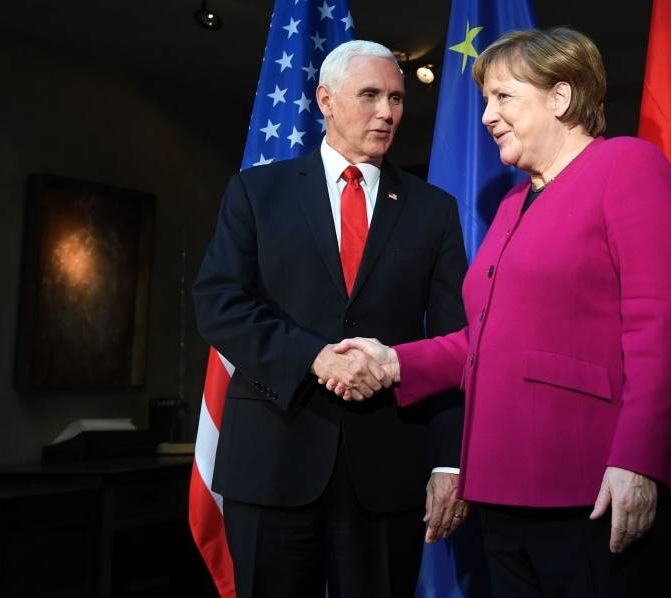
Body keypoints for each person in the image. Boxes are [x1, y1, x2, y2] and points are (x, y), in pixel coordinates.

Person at [329, 28, 671, 597]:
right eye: (485, 100)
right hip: (506, 489)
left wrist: (638, 462)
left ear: (560, 98)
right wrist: (392, 361)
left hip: (598, 481)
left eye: (503, 97)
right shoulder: (512, 202)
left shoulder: (628, 166)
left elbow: (661, 327)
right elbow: (479, 339)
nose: (486, 116)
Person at [192, 40, 469, 598]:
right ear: (326, 99)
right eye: (370, 95)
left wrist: (448, 464)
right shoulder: (257, 192)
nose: (387, 112)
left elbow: (453, 341)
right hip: (273, 460)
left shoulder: (432, 210)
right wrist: (313, 356)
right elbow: (219, 303)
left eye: (396, 97)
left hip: (387, 468)